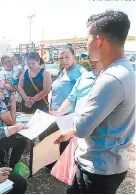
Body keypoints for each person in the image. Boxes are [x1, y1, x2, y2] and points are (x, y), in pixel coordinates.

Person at [55, 10, 135, 194]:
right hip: (110, 162)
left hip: (97, 169)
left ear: (98, 40)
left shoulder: (110, 78)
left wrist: (76, 114)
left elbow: (83, 127)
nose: (86, 45)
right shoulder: (126, 70)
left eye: (87, 40)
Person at [50, 47, 87, 112]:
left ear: (73, 57)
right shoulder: (62, 71)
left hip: (69, 115)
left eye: (67, 57)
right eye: (61, 58)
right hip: (56, 114)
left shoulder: (80, 71)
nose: (64, 61)